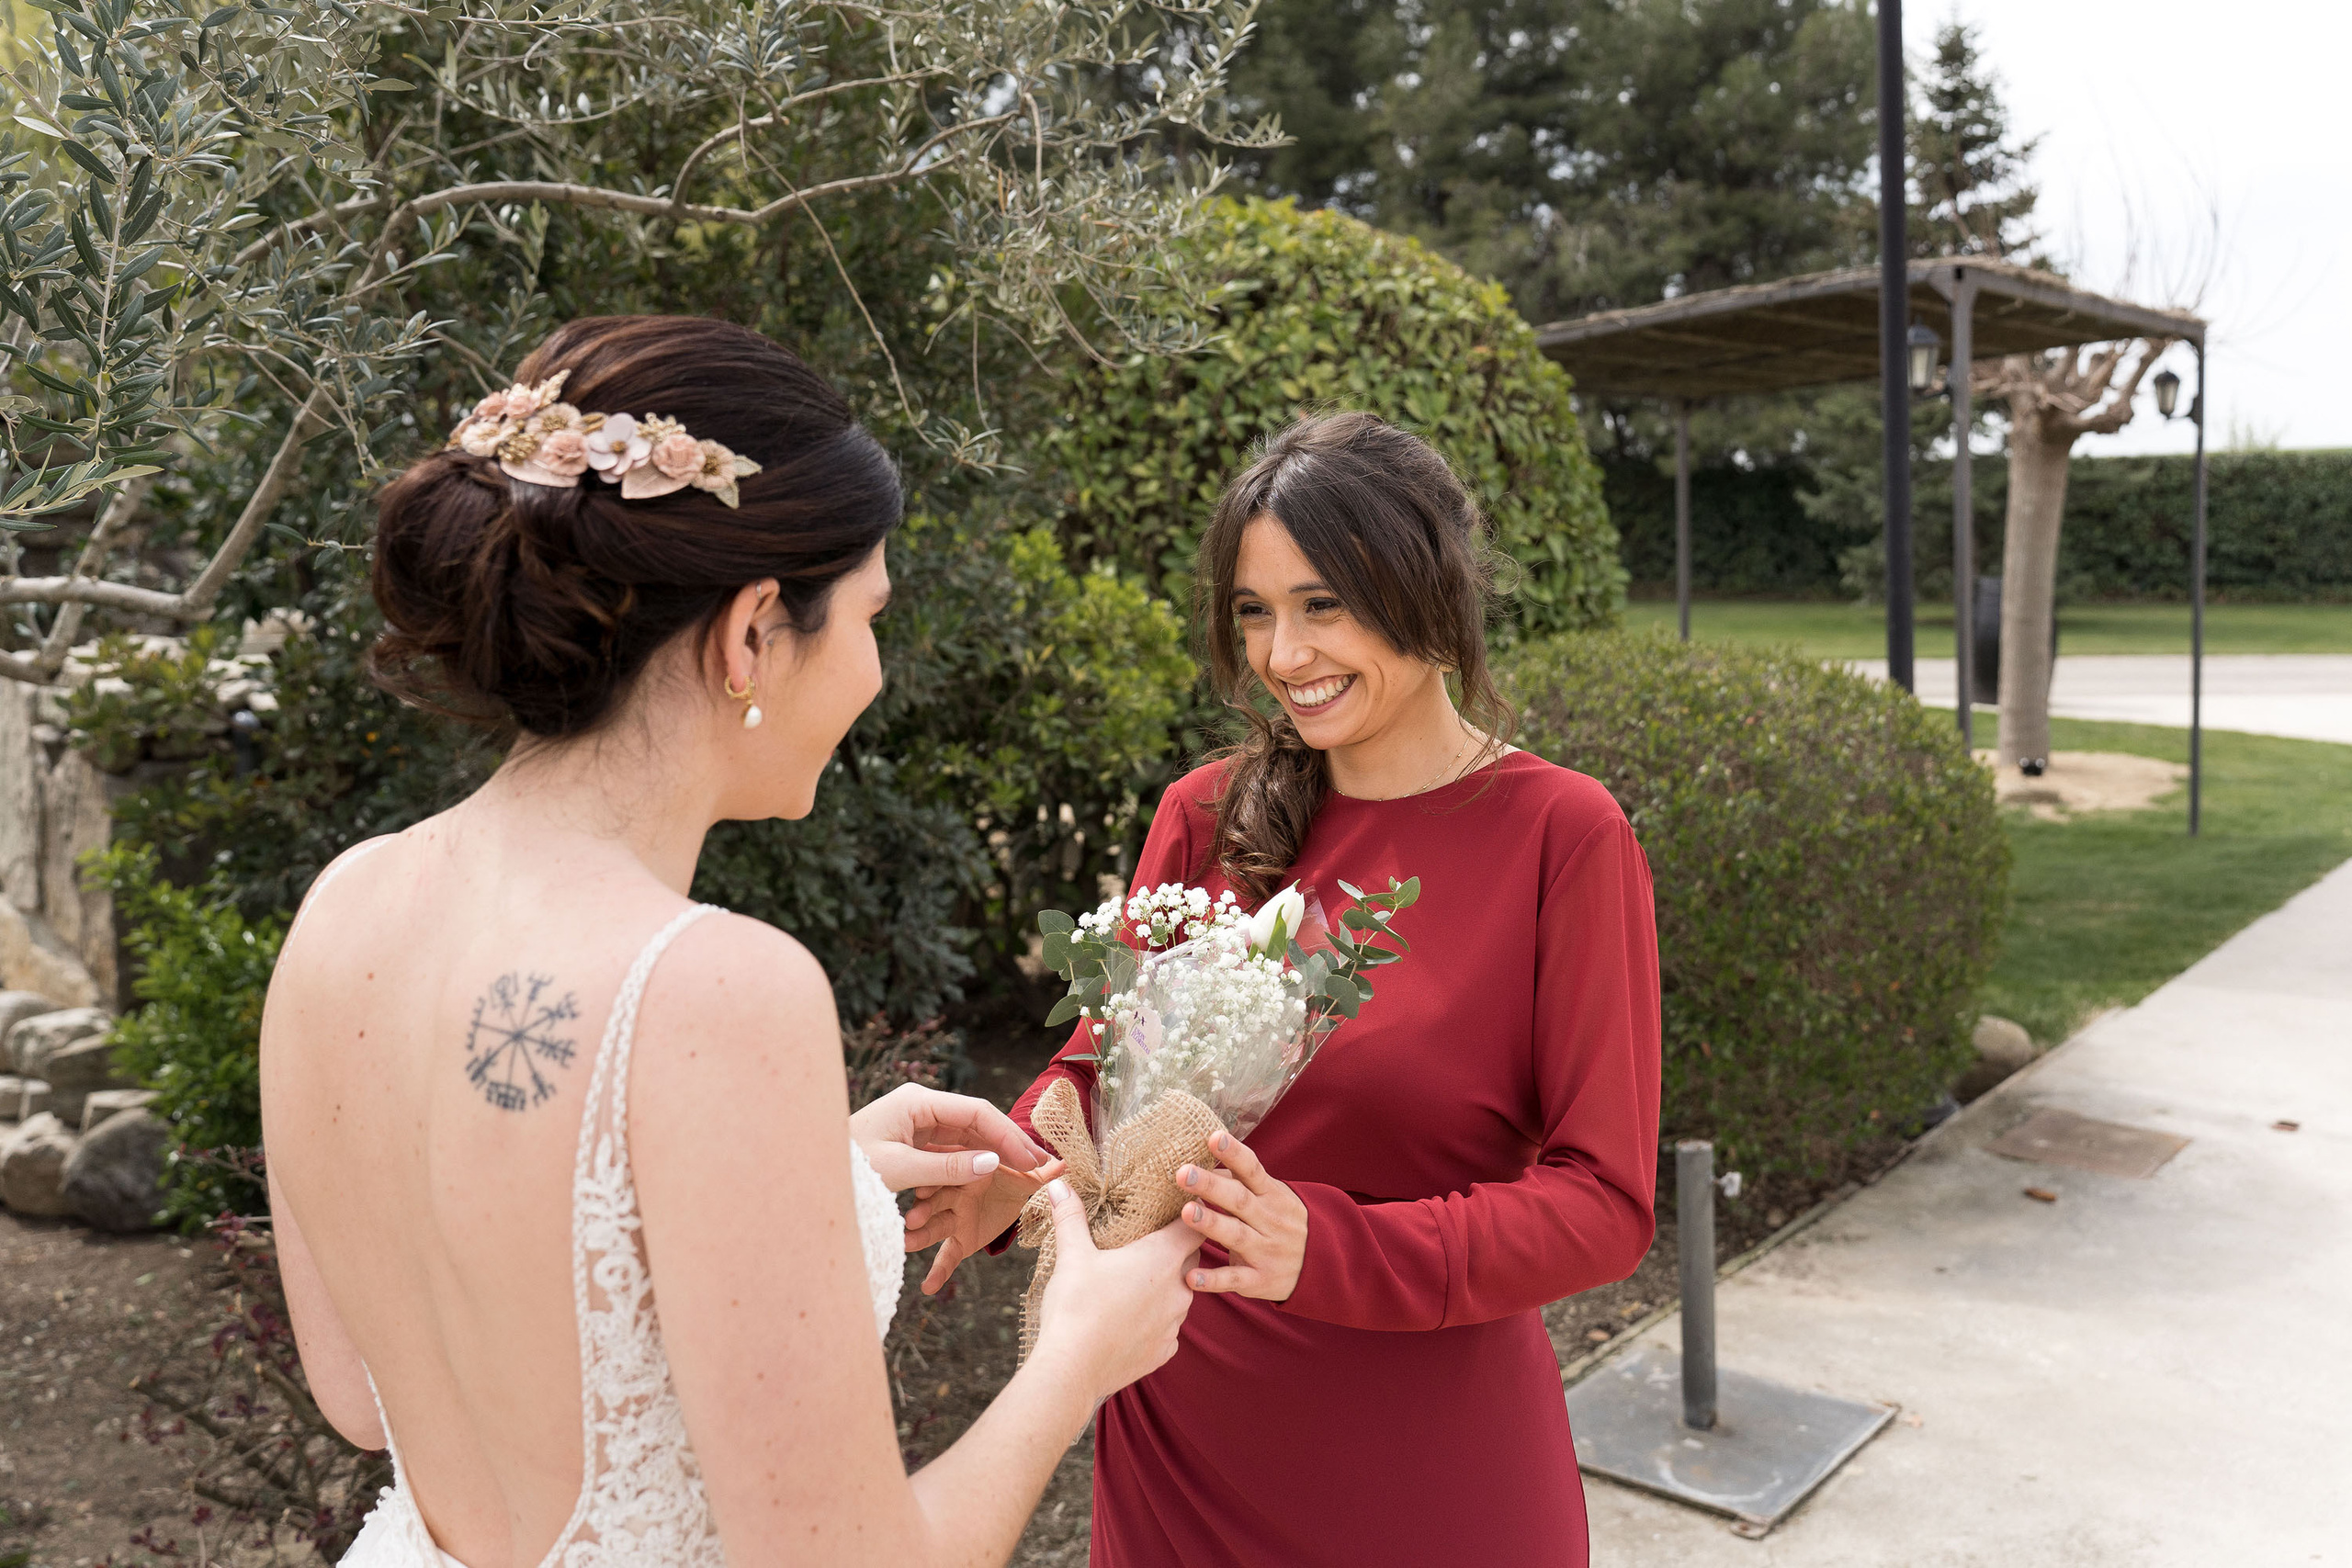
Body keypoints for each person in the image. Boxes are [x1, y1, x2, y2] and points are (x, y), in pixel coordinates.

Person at [258, 315, 1198, 1568]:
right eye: (867, 616)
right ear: (755, 627)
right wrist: (1081, 1347)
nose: (872, 670)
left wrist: (801, 1184)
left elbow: (364, 1391)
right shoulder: (713, 987)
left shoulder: (347, 906)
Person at [910, 412, 1664, 1566]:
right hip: (1177, 1435)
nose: (1282, 656)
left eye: (1323, 605)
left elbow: (1603, 1204)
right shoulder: (1204, 813)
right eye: (1254, 613)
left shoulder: (1563, 835)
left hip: (1426, 1463)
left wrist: (1330, 1249)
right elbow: (1105, 1069)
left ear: (1428, 591)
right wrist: (1014, 1174)